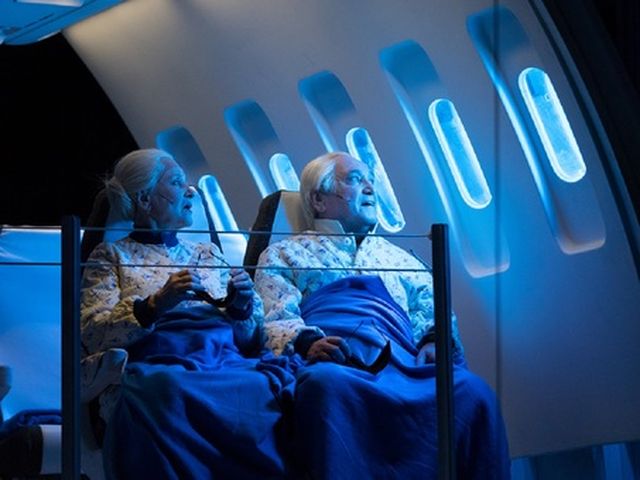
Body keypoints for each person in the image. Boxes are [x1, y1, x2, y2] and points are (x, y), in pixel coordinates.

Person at [254, 151, 511, 479]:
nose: (369, 187)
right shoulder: (282, 254)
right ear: (318, 200)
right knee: (324, 385)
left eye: (370, 180)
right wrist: (308, 343)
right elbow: (273, 315)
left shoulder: (399, 257)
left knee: (472, 391)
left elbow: (432, 309)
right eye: (354, 179)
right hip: (338, 363)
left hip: (404, 364)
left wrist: (433, 340)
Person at [81, 148, 295, 479]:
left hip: (221, 357)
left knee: (261, 386)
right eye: (177, 182)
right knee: (167, 390)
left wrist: (240, 305)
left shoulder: (207, 254)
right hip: (157, 363)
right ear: (145, 199)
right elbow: (93, 333)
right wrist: (155, 305)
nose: (191, 191)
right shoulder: (109, 256)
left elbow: (251, 338)